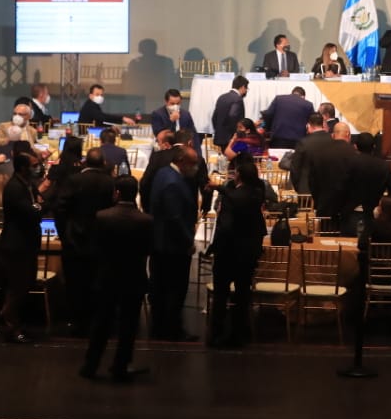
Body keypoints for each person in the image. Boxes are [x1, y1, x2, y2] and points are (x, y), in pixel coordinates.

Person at [81, 176, 153, 381]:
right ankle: (120, 365)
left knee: (101, 323)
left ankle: (90, 365)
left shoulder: (102, 216)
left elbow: (95, 247)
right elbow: (149, 249)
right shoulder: (146, 220)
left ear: (117, 193)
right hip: (134, 277)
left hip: (107, 277)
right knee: (128, 326)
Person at [207, 159, 268, 347]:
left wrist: (213, 247)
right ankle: (240, 331)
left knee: (221, 294)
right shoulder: (258, 193)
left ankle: (217, 332)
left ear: (238, 175)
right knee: (243, 293)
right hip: (248, 252)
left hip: (228, 251)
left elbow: (225, 226)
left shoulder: (233, 198)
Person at [60, 149, 116, 336]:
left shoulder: (74, 180)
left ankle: (78, 322)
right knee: (97, 283)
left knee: (76, 283)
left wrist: (63, 235)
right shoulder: (109, 182)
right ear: (103, 163)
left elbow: (61, 209)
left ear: (85, 162)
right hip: (101, 240)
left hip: (75, 239)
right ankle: (96, 321)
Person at [149, 145, 200, 341]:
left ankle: (160, 326)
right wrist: (188, 241)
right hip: (172, 245)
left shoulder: (164, 173)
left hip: (161, 243)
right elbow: (175, 217)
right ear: (181, 161)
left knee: (160, 287)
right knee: (174, 289)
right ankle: (172, 329)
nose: (194, 167)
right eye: (192, 163)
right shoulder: (173, 182)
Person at [0, 151, 42, 343]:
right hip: (17, 245)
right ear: (23, 167)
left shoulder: (27, 184)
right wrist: (40, 207)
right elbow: (31, 212)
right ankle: (11, 323)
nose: (37, 167)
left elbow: (37, 205)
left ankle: (13, 322)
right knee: (18, 287)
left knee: (24, 285)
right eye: (34, 164)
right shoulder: (15, 187)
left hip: (26, 243)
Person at [342, 132, 391, 233]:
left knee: (348, 245)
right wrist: (382, 205)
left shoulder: (348, 163)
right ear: (374, 147)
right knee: (371, 245)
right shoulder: (383, 165)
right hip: (374, 214)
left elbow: (340, 187)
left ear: (355, 146)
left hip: (350, 212)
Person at [211, 75, 248, 150]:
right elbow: (233, 116)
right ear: (243, 87)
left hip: (220, 137)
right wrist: (236, 135)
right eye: (246, 88)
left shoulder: (222, 97)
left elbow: (214, 118)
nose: (246, 91)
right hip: (231, 139)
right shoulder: (238, 99)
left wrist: (219, 130)